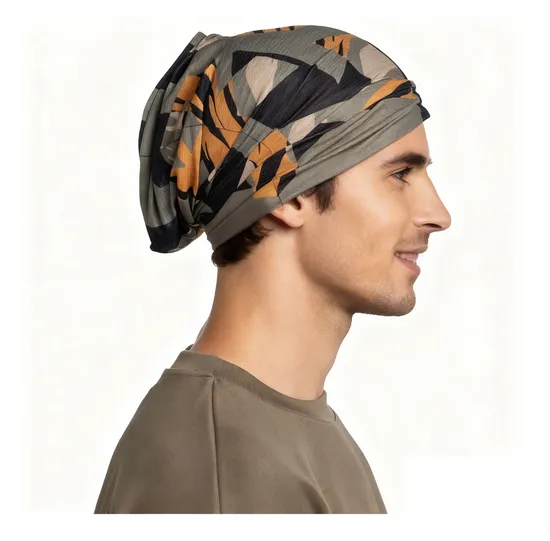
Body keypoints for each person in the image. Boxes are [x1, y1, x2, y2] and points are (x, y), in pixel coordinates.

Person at [94, 24, 451, 514]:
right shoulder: (222, 463)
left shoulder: (282, 423)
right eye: (400, 174)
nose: (438, 214)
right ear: (288, 191)